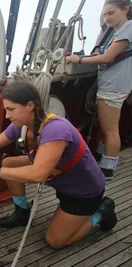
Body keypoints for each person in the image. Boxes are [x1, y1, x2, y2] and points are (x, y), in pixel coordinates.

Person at [0, 82, 117, 249]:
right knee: (9, 163)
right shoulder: (22, 126)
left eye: (11, 109)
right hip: (61, 178)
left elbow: (38, 174)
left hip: (83, 191)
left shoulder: (55, 129)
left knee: (55, 241)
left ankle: (101, 213)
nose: (7, 115)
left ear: (30, 106)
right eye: (5, 110)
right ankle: (22, 211)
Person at [66, 0, 132, 181]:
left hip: (114, 86)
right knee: (104, 128)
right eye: (104, 15)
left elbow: (109, 57)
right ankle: (103, 160)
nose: (107, 18)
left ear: (125, 9)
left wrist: (77, 60)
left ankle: (107, 170)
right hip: (110, 84)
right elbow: (109, 53)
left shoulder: (128, 27)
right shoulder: (116, 32)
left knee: (110, 130)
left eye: (111, 13)